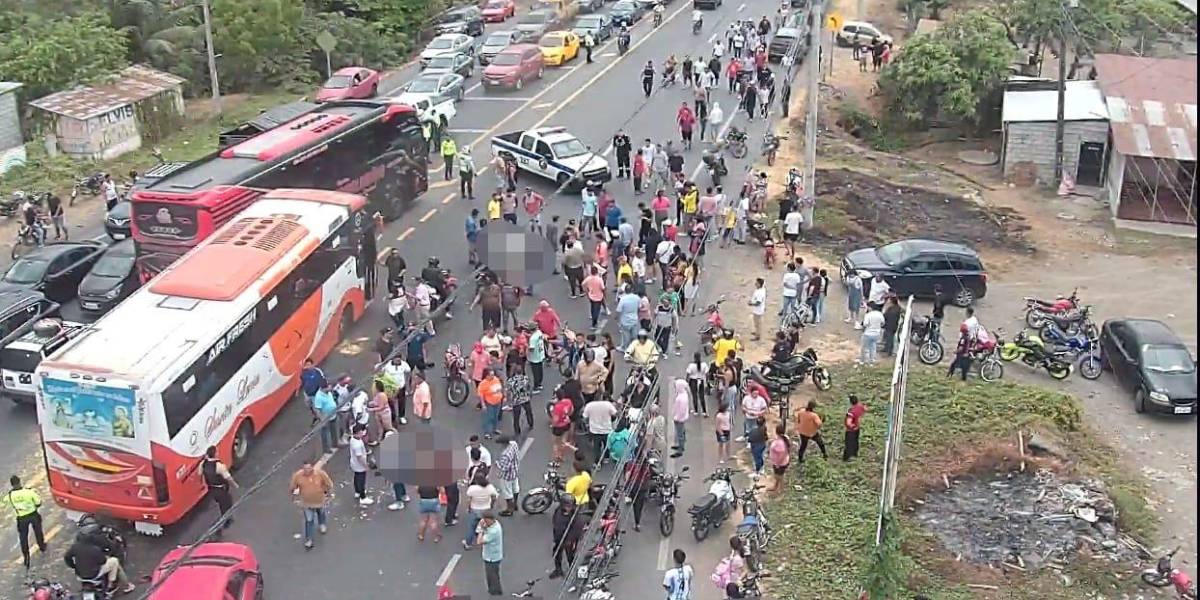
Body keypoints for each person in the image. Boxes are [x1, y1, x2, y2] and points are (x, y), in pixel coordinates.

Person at [290, 459, 333, 550]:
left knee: (321, 512)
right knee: (309, 521)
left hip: (319, 501)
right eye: (305, 469)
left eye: (309, 468)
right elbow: (292, 487)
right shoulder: (298, 476)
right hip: (307, 503)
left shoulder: (320, 474)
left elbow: (328, 483)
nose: (307, 471)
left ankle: (322, 524)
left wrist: (327, 493)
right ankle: (309, 539)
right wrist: (293, 498)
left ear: (312, 467)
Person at [8, 475, 46, 570]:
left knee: (23, 537)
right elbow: (38, 502)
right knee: (38, 531)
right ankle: (41, 546)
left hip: (21, 518)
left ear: (12, 484)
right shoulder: (29, 492)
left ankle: (26, 557)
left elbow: (4, 503)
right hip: (33, 515)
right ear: (19, 481)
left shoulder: (10, 495)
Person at [202, 445, 238, 525]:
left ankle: (225, 517)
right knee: (227, 502)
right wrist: (235, 485)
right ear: (215, 454)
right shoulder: (219, 466)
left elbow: (200, 473)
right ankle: (225, 521)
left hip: (212, 489)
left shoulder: (203, 464)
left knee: (221, 503)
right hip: (221, 489)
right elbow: (228, 478)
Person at [549, 496, 584, 578]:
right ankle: (558, 570)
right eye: (567, 506)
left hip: (569, 540)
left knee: (570, 556)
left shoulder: (575, 517)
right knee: (557, 554)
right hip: (559, 537)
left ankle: (573, 571)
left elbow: (577, 530)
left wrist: (569, 540)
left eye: (570, 506)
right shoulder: (558, 511)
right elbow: (555, 521)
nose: (569, 508)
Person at [582, 393, 618, 466]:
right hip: (607, 429)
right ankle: (606, 458)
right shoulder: (608, 405)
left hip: (595, 430)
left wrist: (588, 425)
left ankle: (597, 462)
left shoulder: (589, 405)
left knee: (596, 447)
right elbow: (615, 414)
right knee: (607, 445)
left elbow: (584, 417)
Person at [475, 511, 505, 596]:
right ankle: (495, 590)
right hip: (492, 555)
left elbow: (479, 541)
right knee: (493, 575)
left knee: (492, 577)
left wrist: (481, 530)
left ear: (491, 520)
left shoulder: (494, 531)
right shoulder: (495, 524)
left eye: (486, 520)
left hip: (492, 557)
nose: (485, 522)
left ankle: (495, 593)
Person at [493, 436, 521, 516]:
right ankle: (515, 504)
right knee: (515, 488)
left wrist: (497, 464)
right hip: (514, 471)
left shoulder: (506, 454)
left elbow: (504, 468)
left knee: (507, 492)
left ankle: (509, 509)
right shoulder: (513, 444)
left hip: (507, 476)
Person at [478, 368, 504, 438]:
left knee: (496, 417)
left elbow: (500, 388)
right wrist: (483, 404)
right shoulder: (483, 384)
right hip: (490, 403)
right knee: (489, 417)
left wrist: (502, 396)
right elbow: (481, 395)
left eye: (493, 374)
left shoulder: (496, 379)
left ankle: (494, 429)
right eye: (491, 375)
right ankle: (487, 432)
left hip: (498, 402)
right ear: (486, 376)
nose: (493, 376)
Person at [669, 379, 691, 458]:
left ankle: (680, 449)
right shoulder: (683, 394)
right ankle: (680, 445)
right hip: (681, 417)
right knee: (681, 432)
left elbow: (681, 410)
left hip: (679, 418)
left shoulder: (681, 398)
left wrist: (676, 417)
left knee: (680, 434)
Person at [768, 423, 792, 492]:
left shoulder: (779, 443)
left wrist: (778, 464)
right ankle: (776, 486)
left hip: (780, 463)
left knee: (779, 476)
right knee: (778, 475)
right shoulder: (785, 438)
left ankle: (780, 489)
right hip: (782, 461)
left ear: (776, 432)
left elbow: (782, 454)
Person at [843, 395, 868, 461]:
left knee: (849, 444)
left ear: (851, 402)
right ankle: (854, 454)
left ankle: (848, 458)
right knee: (855, 442)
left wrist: (852, 426)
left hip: (851, 430)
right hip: (857, 428)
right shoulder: (860, 406)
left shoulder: (851, 412)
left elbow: (849, 423)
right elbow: (865, 409)